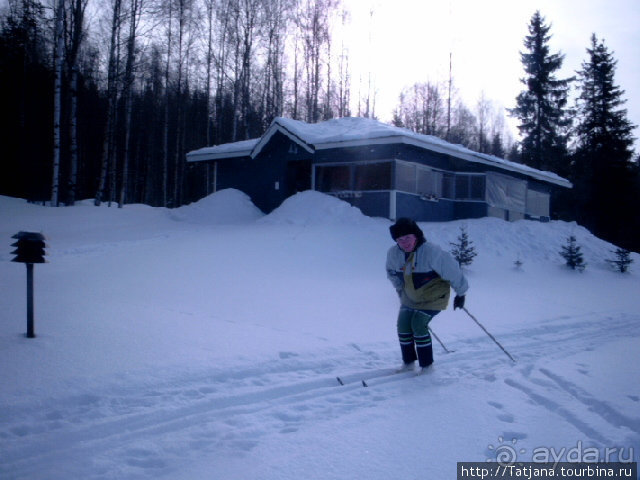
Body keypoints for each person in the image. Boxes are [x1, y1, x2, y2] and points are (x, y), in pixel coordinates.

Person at [386, 217, 469, 374]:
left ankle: (427, 366)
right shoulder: (394, 254)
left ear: (416, 235)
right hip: (410, 297)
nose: (404, 242)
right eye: (400, 239)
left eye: (408, 237)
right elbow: (391, 272)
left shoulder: (431, 252)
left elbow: (452, 271)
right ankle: (408, 363)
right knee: (403, 325)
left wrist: (461, 293)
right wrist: (399, 289)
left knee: (418, 324)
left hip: (433, 297)